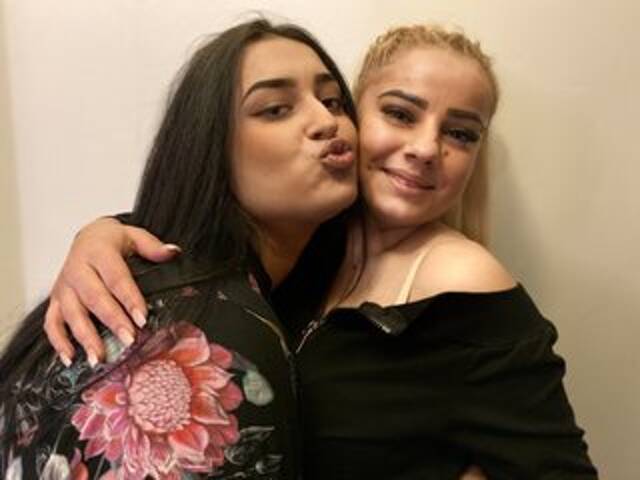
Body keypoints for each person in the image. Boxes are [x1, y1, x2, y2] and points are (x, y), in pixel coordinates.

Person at [39, 23, 598, 479]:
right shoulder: (308, 241)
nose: (427, 148)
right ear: (351, 119)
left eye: (461, 134)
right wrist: (104, 233)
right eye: (401, 114)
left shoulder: (467, 286)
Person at [0, 19, 360, 479]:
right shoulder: (214, 333)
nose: (327, 121)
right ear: (209, 145)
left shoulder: (179, 287)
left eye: (332, 101)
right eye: (275, 109)